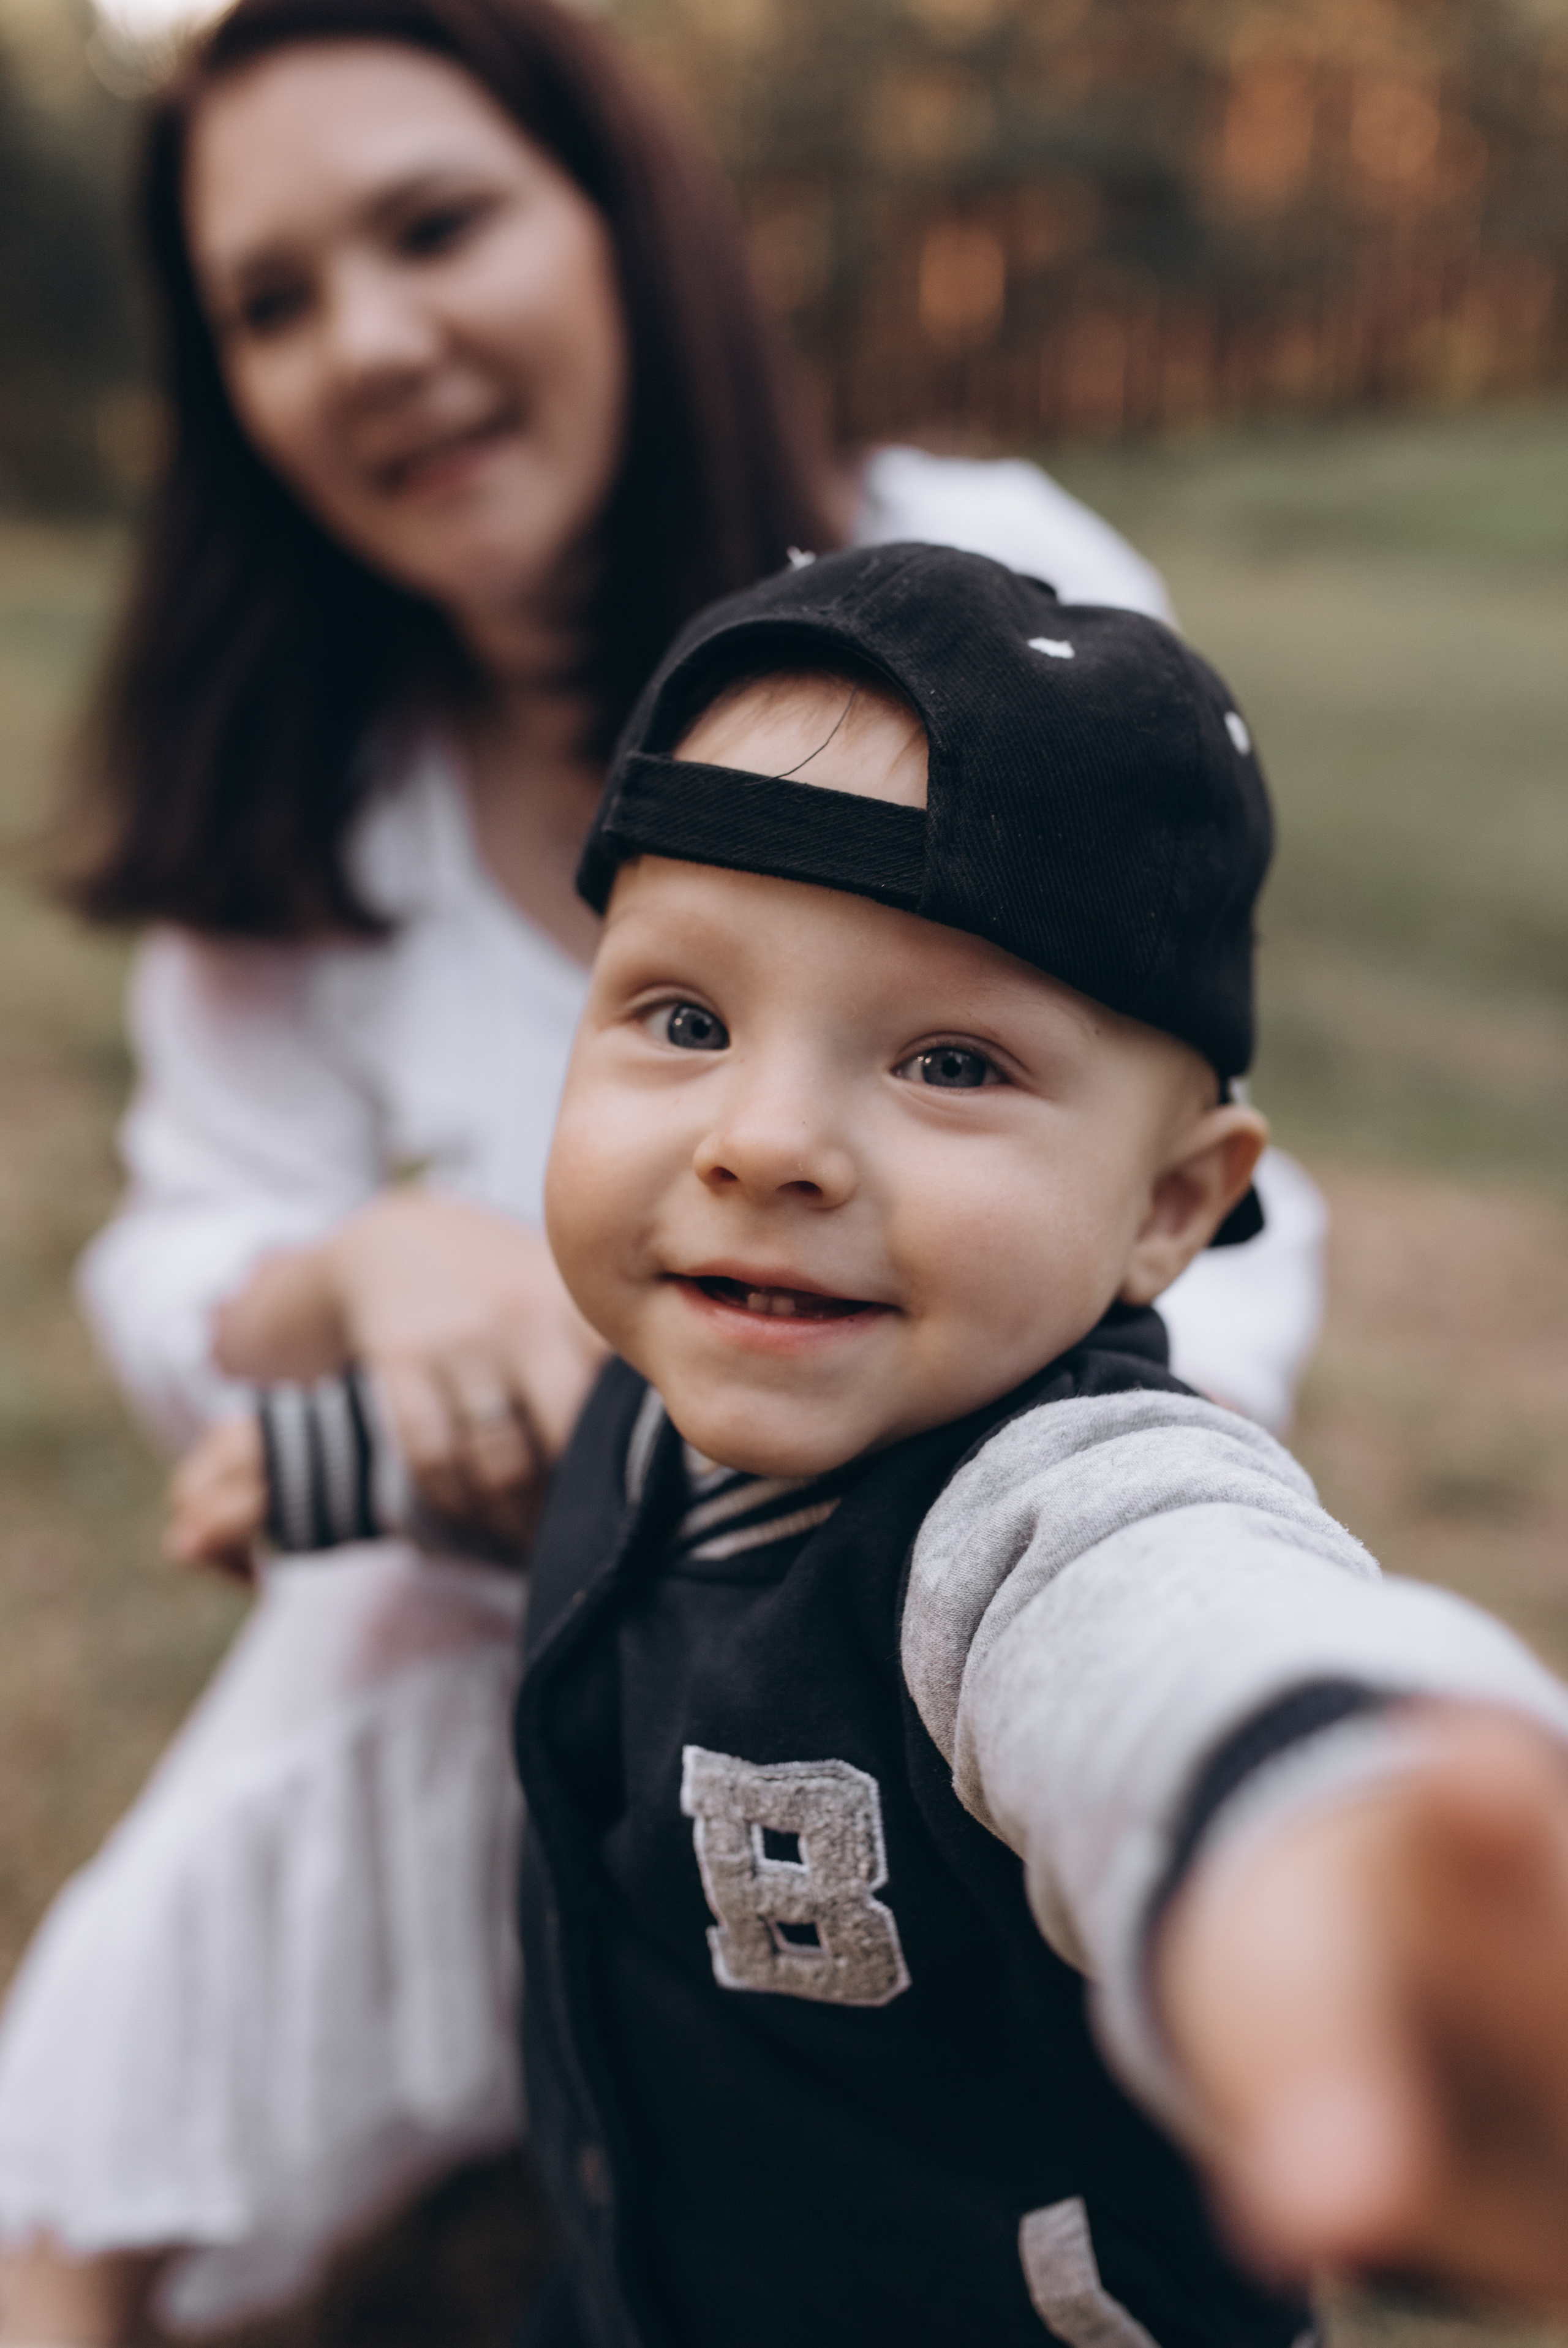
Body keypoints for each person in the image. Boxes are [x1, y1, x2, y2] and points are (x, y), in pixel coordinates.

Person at [0, 2, 1321, 2341]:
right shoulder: (306, 760)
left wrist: (979, 1481)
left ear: (620, 225)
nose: (374, 343)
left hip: (949, 1543)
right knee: (372, 1641)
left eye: (434, 226)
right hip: (513, 1562)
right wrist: (373, 1279)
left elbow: (1219, 1249)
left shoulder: (983, 584)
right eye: (274, 303)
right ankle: (96, 2250)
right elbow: (179, 1252)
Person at [513, 541, 1568, 2348]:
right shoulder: (671, 1369)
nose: (766, 1140)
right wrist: (323, 1459)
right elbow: (540, 1457)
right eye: (684, 1019)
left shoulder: (1043, 1515)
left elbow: (1185, 1644)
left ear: (1170, 1204)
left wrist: (1324, 1834)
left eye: (949, 1063)